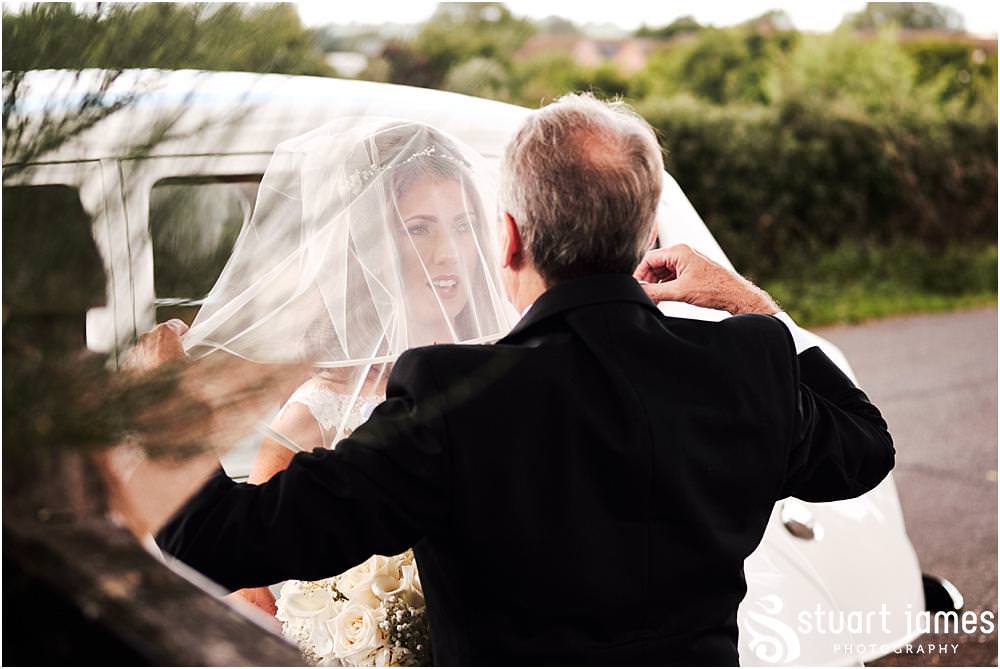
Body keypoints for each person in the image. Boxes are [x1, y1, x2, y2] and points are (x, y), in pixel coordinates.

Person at [148, 94, 894, 666]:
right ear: (649, 231)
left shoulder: (451, 396)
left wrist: (161, 408)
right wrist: (749, 302)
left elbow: (220, 539)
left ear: (506, 235)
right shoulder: (745, 359)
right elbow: (864, 445)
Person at [175, 119, 512, 661]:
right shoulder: (321, 411)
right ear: (372, 244)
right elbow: (250, 588)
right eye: (419, 228)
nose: (450, 252)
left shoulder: (512, 371)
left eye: (467, 225)